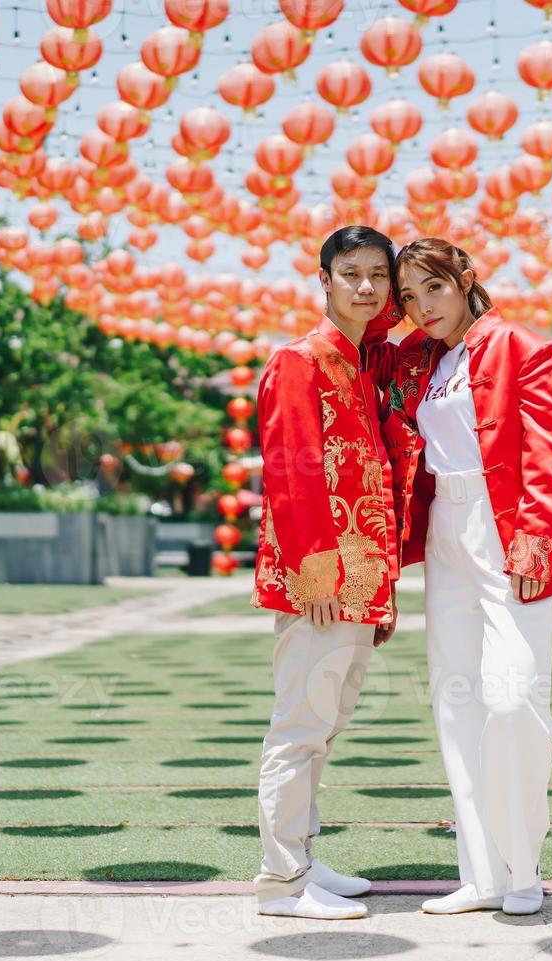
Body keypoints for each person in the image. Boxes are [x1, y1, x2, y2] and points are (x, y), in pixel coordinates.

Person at [363, 238, 552, 916]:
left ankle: (523, 867)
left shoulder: (517, 346)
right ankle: (482, 875)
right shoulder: (420, 360)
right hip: (445, 534)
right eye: (411, 296)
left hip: (505, 529)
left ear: (466, 281)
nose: (423, 306)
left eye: (435, 289)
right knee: (458, 706)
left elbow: (546, 444)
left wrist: (537, 532)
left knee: (514, 703)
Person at [250, 226, 401, 920]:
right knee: (299, 727)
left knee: (327, 725)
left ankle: (303, 857)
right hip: (323, 583)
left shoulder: (368, 368)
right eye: (351, 274)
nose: (366, 287)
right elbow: (291, 471)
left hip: (364, 581)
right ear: (325, 279)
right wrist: (315, 577)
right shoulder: (299, 362)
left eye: (378, 274)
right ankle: (280, 882)